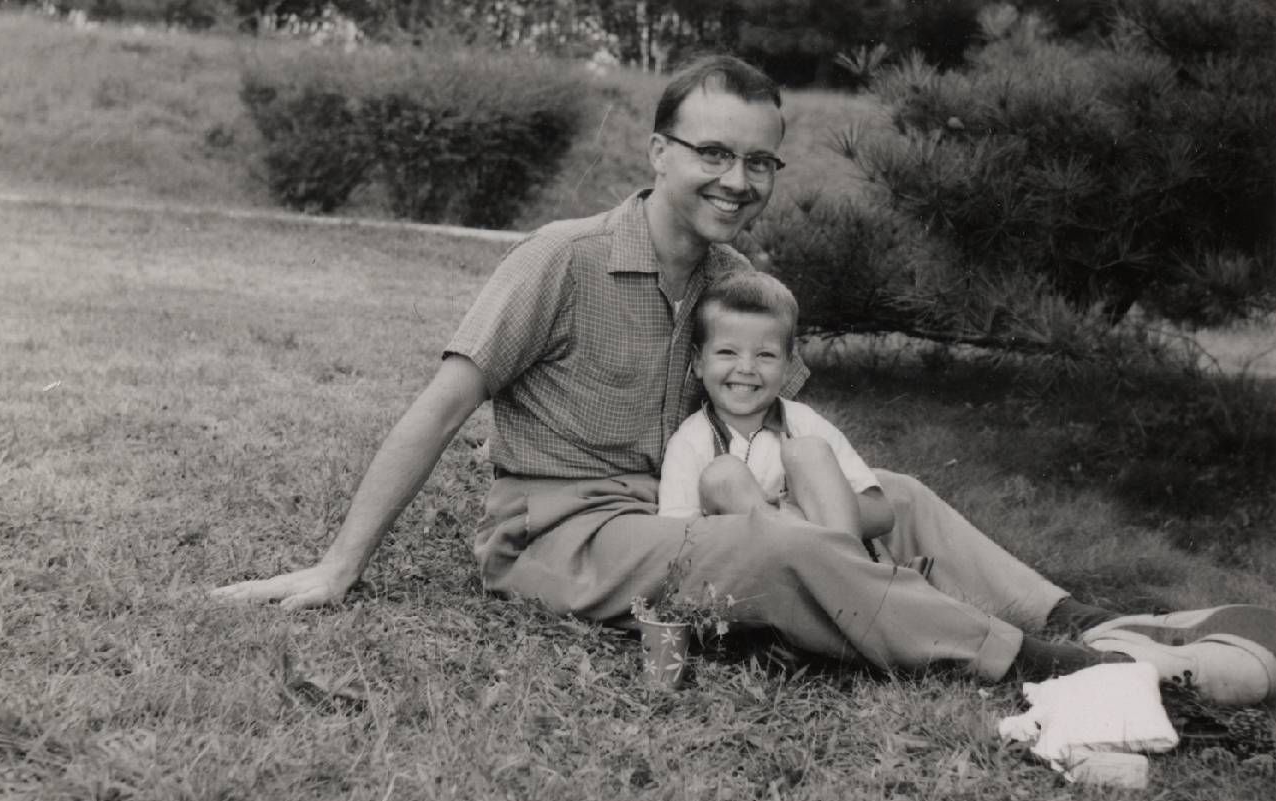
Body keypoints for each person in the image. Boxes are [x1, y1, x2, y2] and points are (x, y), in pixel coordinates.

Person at [211, 54, 1276, 706]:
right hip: (563, 536)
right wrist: (338, 566)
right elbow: (440, 407)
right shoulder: (563, 256)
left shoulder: (744, 284)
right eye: (713, 152)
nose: (737, 178)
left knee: (890, 494)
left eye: (760, 162)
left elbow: (771, 422)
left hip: (694, 511)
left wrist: (823, 490)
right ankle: (1033, 665)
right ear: (660, 149)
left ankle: (1079, 618)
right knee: (764, 549)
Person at [658, 270, 904, 563]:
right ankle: (808, 573)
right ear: (699, 362)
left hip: (833, 560)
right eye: (727, 352)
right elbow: (676, 539)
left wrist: (801, 511)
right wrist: (769, 521)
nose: (746, 368)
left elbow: (881, 512)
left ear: (788, 365)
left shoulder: (804, 423)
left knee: (807, 452)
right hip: (750, 574)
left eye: (765, 355)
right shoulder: (689, 443)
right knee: (724, 474)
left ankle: (846, 578)